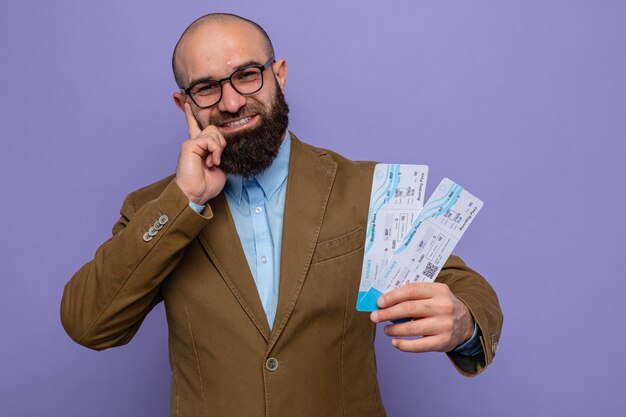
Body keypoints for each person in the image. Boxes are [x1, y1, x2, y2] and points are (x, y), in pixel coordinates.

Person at [61, 13, 503, 417]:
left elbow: (464, 287)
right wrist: (186, 201)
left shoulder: (367, 190)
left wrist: (462, 322)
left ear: (279, 75)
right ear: (185, 105)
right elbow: (89, 323)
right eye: (207, 87)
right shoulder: (155, 207)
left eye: (247, 76)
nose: (231, 102)